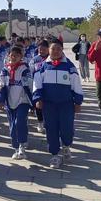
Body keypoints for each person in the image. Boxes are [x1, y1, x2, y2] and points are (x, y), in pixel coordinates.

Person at [33, 39, 83, 169]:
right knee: (51, 129)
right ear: (49, 50)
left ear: (62, 51)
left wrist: (78, 102)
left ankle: (66, 146)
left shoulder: (69, 66)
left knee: (67, 128)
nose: (55, 51)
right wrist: (38, 98)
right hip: (49, 105)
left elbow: (76, 84)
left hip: (66, 104)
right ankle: (54, 155)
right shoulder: (43, 66)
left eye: (58, 49)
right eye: (53, 49)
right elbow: (37, 83)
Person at [0, 45, 33, 159]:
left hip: (23, 100)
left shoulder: (25, 69)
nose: (14, 57)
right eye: (12, 55)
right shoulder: (5, 70)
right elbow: (0, 84)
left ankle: (22, 146)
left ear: (21, 56)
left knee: (19, 122)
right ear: (8, 56)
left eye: (16, 55)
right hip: (9, 101)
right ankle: (16, 148)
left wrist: (33, 101)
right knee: (12, 126)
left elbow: (30, 85)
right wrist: (0, 99)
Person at [28, 39, 49, 133]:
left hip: (49, 86)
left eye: (44, 49)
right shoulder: (34, 59)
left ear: (48, 49)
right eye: (40, 49)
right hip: (38, 85)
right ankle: (40, 122)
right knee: (38, 105)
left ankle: (47, 122)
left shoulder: (51, 58)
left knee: (48, 105)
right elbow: (30, 72)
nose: (42, 51)